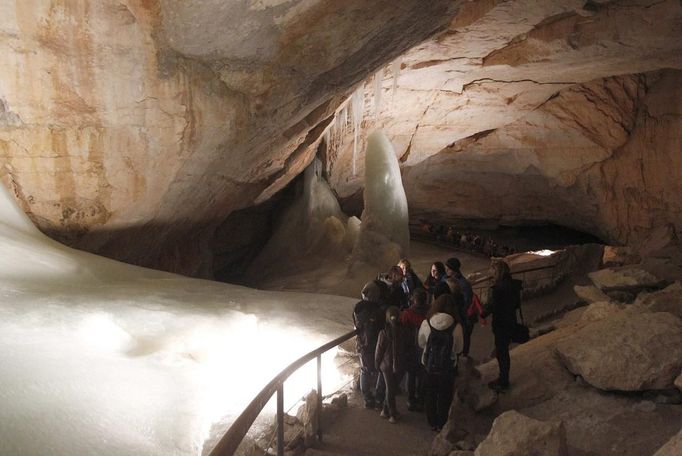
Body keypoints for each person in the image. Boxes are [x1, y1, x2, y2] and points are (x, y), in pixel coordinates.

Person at [418, 294, 462, 431]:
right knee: (445, 395)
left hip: (429, 365)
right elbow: (459, 348)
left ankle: (432, 422)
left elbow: (420, 343)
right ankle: (442, 423)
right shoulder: (456, 326)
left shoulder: (427, 323)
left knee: (430, 393)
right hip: (447, 367)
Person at [480, 260, 523, 392]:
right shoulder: (513, 284)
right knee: (503, 351)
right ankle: (503, 378)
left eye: (492, 270)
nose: (490, 273)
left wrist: (482, 314)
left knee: (502, 353)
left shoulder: (499, 289)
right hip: (510, 321)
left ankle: (503, 381)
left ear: (497, 271)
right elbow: (516, 304)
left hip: (502, 324)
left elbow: (494, 307)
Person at [375, 306, 411, 423]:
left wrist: (377, 364)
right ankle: (389, 412)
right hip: (400, 364)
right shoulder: (405, 331)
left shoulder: (383, 333)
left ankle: (390, 413)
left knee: (390, 389)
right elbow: (407, 348)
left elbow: (379, 351)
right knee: (392, 388)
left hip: (386, 366)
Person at [353, 281, 386, 408]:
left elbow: (356, 326)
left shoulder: (357, 308)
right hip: (376, 344)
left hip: (363, 344)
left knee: (365, 371)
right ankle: (379, 398)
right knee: (381, 370)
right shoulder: (378, 310)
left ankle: (367, 399)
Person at [400, 288, 429, 411]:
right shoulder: (429, 312)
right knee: (422, 374)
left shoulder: (407, 313)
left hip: (411, 348)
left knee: (411, 375)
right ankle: (421, 398)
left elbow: (402, 329)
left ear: (414, 299)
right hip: (425, 348)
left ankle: (411, 399)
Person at [444, 257, 475, 357]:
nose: (446, 271)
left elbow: (466, 303)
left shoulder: (463, 284)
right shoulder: (448, 279)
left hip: (462, 318)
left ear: (453, 270)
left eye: (448, 269)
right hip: (455, 316)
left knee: (463, 340)